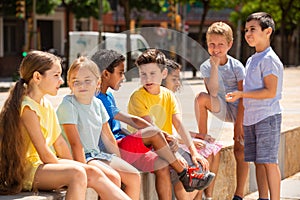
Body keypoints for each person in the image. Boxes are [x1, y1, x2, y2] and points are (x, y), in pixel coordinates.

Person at [0, 50, 130, 200]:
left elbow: (60, 143)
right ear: (37, 77)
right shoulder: (27, 108)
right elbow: (44, 153)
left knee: (93, 172)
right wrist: (72, 168)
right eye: (56, 75)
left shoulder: (46, 104)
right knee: (78, 173)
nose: (61, 81)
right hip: (28, 171)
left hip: (43, 165)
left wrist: (77, 165)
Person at [91, 49, 213, 200]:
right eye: (120, 73)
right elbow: (113, 131)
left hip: (124, 142)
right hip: (114, 149)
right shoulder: (96, 99)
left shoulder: (108, 95)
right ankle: (185, 174)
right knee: (154, 133)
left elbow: (122, 125)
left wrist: (183, 144)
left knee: (162, 164)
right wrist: (157, 134)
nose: (123, 77)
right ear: (105, 74)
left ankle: (188, 179)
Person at [128, 48, 215, 199]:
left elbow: (179, 125)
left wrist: (193, 152)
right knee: (171, 166)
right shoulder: (138, 98)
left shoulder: (168, 95)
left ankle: (191, 186)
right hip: (145, 147)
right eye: (143, 74)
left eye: (152, 73)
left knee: (199, 166)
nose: (148, 78)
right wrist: (173, 155)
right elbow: (152, 130)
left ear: (163, 74)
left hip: (168, 145)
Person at [56, 56, 140, 200]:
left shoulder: (98, 104)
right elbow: (76, 144)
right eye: (76, 81)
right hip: (81, 158)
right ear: (70, 84)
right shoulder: (68, 105)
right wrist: (84, 172)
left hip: (97, 155)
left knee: (134, 176)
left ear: (98, 82)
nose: (82, 85)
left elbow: (108, 138)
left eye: (87, 80)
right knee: (113, 178)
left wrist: (119, 161)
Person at [226, 12, 283, 200]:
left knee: (269, 162)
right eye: (246, 30)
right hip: (252, 118)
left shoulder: (269, 59)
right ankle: (263, 198)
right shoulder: (252, 59)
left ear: (267, 31)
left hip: (267, 118)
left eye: (253, 29)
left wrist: (241, 94)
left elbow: (270, 92)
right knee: (259, 162)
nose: (248, 34)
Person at [194, 22, 248, 200]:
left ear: (230, 45)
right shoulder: (206, 67)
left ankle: (239, 194)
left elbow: (244, 99)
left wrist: (238, 126)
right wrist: (215, 67)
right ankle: (203, 137)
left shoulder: (237, 67)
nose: (216, 49)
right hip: (222, 106)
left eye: (220, 45)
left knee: (240, 149)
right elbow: (213, 93)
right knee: (201, 98)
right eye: (211, 44)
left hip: (242, 108)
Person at [162, 58, 222, 200]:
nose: (178, 83)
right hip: (169, 143)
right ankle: (199, 195)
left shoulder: (171, 98)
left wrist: (198, 135)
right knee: (202, 155)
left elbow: (176, 127)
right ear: (163, 78)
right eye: (174, 79)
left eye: (178, 79)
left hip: (177, 139)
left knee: (213, 149)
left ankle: (208, 196)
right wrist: (191, 142)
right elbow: (164, 132)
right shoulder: (161, 99)